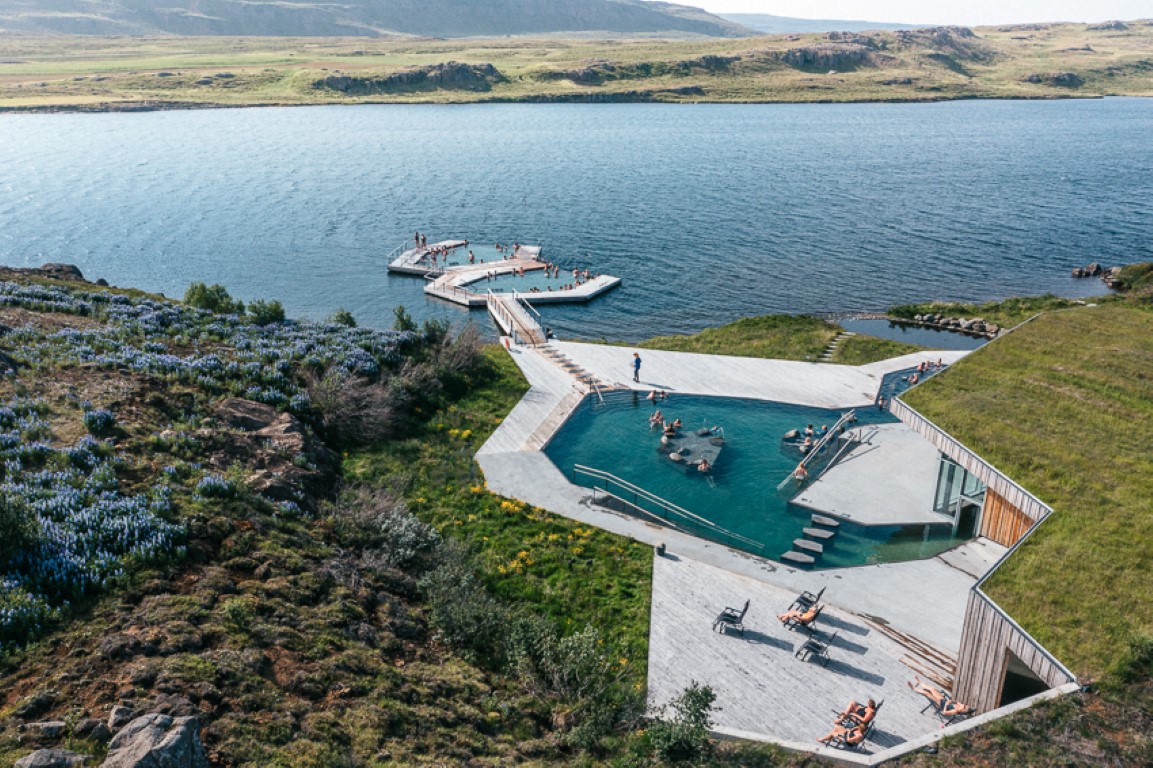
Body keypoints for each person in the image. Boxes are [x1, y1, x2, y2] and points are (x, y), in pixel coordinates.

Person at [908, 678, 972, 717]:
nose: (964, 704)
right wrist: (951, 701)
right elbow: (956, 701)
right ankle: (920, 682)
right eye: (965, 705)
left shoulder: (955, 711)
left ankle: (913, 688)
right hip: (943, 700)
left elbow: (944, 712)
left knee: (927, 693)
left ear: (962, 710)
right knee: (932, 689)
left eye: (964, 706)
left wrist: (946, 705)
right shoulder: (960, 705)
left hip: (940, 704)